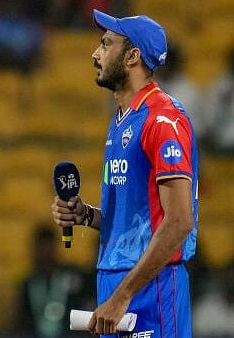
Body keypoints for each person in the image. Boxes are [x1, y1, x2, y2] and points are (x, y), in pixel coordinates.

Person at [51, 9, 199, 337]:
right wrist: (87, 215)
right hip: (116, 279)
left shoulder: (162, 120)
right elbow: (140, 221)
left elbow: (179, 221)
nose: (95, 53)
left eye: (106, 44)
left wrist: (123, 296)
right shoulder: (123, 119)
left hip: (152, 286)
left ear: (132, 57)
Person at [16, 226, 93, 338]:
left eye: (47, 248)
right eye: (40, 249)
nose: (44, 254)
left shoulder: (74, 276)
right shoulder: (28, 284)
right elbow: (21, 322)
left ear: (55, 248)